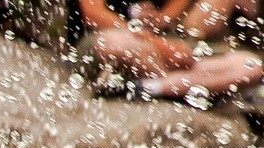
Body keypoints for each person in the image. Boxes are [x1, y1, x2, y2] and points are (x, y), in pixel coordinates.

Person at [76, 0, 264, 103]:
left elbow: (172, 18)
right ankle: (192, 85)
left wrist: (162, 19)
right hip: (119, 44)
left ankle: (146, 88)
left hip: (165, 53)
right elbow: (93, 15)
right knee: (114, 42)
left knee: (251, 66)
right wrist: (160, 44)